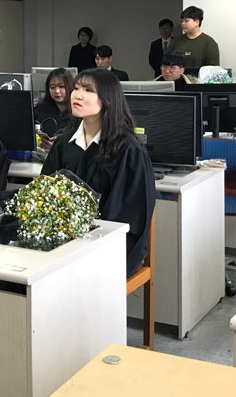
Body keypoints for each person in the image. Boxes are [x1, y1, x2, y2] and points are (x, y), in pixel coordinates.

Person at [41, 69, 156, 276]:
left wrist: (85, 239)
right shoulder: (64, 143)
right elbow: (44, 192)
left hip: (112, 244)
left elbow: (129, 214)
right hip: (65, 239)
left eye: (88, 90)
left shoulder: (128, 150)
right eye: (76, 88)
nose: (77, 95)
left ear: (107, 99)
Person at [171, 6, 220, 76]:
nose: (183, 24)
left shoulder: (209, 42)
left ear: (197, 22)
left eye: (186, 21)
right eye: (182, 21)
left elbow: (213, 69)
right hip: (178, 80)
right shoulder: (176, 41)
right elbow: (167, 63)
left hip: (200, 81)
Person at [34, 68, 74, 146]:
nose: (57, 91)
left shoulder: (79, 112)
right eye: (52, 87)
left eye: (61, 86)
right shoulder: (40, 110)